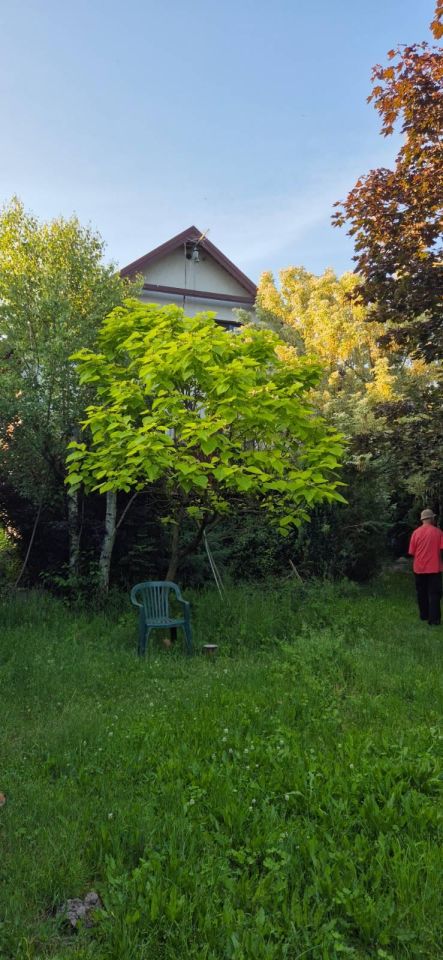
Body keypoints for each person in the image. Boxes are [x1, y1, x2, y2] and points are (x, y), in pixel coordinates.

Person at [408, 509, 443, 626]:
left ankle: (424, 615)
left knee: (421, 593)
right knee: (434, 594)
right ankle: (434, 620)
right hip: (434, 568)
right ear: (431, 519)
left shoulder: (415, 533)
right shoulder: (438, 533)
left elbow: (411, 552)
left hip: (419, 568)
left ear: (422, 520)